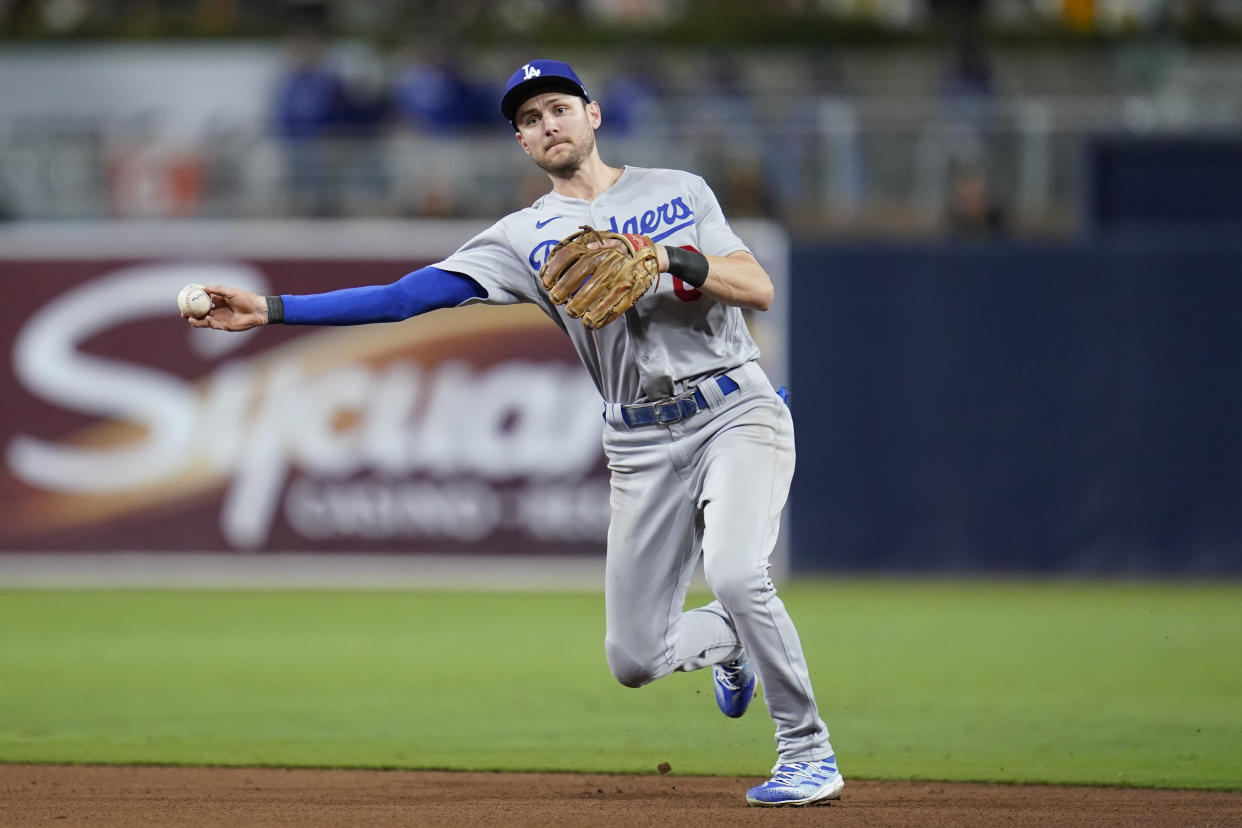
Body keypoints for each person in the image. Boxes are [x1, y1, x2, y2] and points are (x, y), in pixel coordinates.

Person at [186, 59, 842, 808]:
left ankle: (807, 752)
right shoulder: (525, 236)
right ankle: (732, 640)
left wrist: (662, 257)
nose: (545, 125)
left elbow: (755, 286)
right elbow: (406, 299)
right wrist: (271, 310)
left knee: (735, 568)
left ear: (592, 115)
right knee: (635, 658)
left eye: (557, 107)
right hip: (638, 443)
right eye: (527, 121)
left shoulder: (678, 191)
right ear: (523, 146)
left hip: (735, 409)